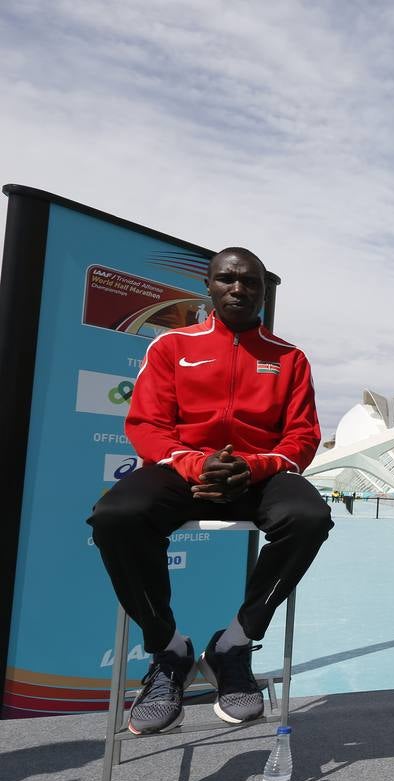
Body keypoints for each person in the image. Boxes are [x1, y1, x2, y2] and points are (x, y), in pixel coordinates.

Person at [88, 247, 333, 733]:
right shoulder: (170, 347)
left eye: (250, 282)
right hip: (184, 471)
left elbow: (302, 437)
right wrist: (196, 463)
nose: (238, 289)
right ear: (209, 286)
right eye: (227, 279)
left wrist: (253, 464)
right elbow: (148, 425)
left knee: (310, 518)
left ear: (264, 291)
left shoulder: (290, 357)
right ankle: (169, 649)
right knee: (115, 517)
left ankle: (234, 643)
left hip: (256, 476)